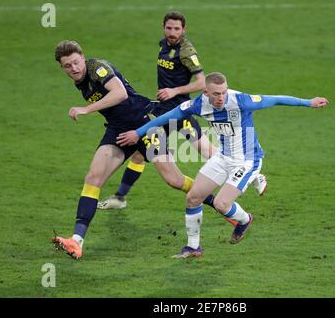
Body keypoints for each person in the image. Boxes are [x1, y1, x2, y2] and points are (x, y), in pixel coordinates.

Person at [116, 72, 329, 258]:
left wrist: (308, 102)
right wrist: (138, 132)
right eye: (216, 93)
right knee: (193, 197)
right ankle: (193, 248)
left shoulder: (241, 101)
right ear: (206, 92)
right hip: (222, 157)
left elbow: (274, 100)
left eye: (223, 92)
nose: (221, 97)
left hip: (246, 160)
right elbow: (166, 117)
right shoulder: (198, 104)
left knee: (221, 204)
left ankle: (245, 220)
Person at [51, 40, 214, 259]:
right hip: (118, 130)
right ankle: (77, 241)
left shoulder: (98, 68)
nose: (74, 68)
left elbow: (120, 94)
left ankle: (222, 205)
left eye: (76, 62)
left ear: (83, 57)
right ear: (62, 68)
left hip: (144, 123)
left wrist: (86, 109)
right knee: (93, 178)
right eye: (68, 66)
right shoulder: (80, 81)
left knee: (174, 180)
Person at [98, 11, 267, 211]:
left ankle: (251, 175)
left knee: (206, 153)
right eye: (169, 28)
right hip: (165, 110)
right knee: (140, 153)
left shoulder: (186, 52)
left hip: (180, 111)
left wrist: (173, 90)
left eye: (176, 29)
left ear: (183, 30)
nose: (172, 32)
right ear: (163, 27)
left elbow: (202, 82)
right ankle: (120, 197)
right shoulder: (163, 46)